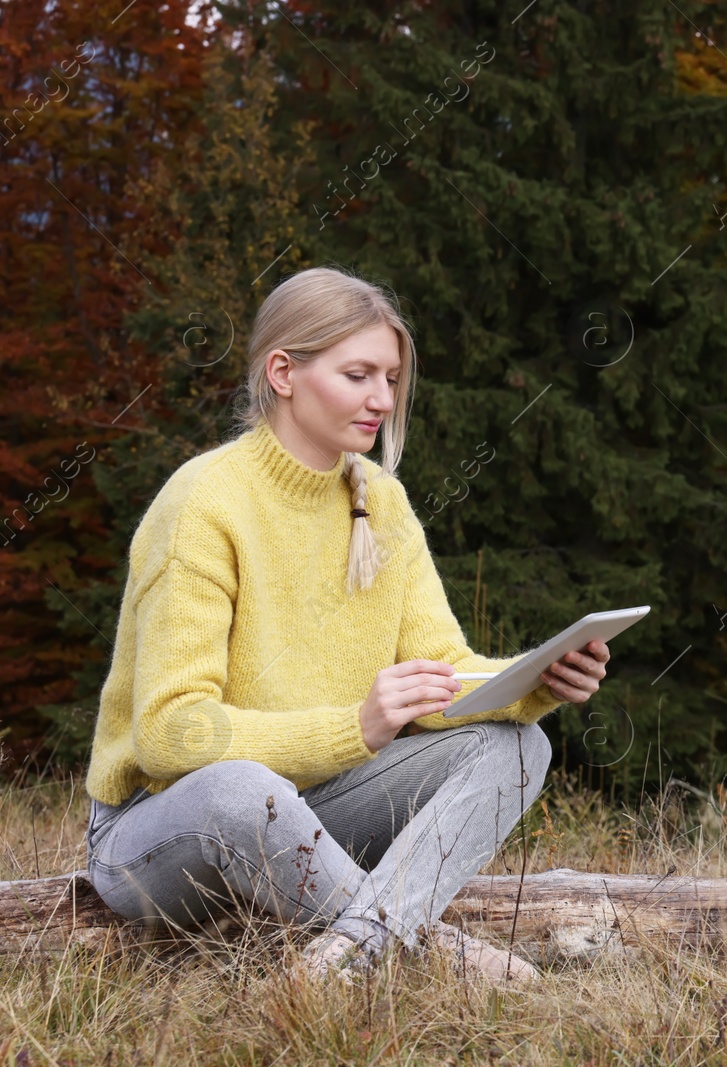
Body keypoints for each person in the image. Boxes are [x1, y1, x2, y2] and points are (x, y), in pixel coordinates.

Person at [81, 265, 609, 982]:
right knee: (242, 787)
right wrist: (355, 727)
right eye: (359, 374)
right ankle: (427, 952)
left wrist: (537, 680)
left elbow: (442, 671)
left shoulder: (381, 503)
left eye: (391, 378)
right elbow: (173, 734)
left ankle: (347, 956)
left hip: (316, 807)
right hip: (161, 829)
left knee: (519, 747)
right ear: (283, 373)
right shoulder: (203, 503)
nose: (382, 400)